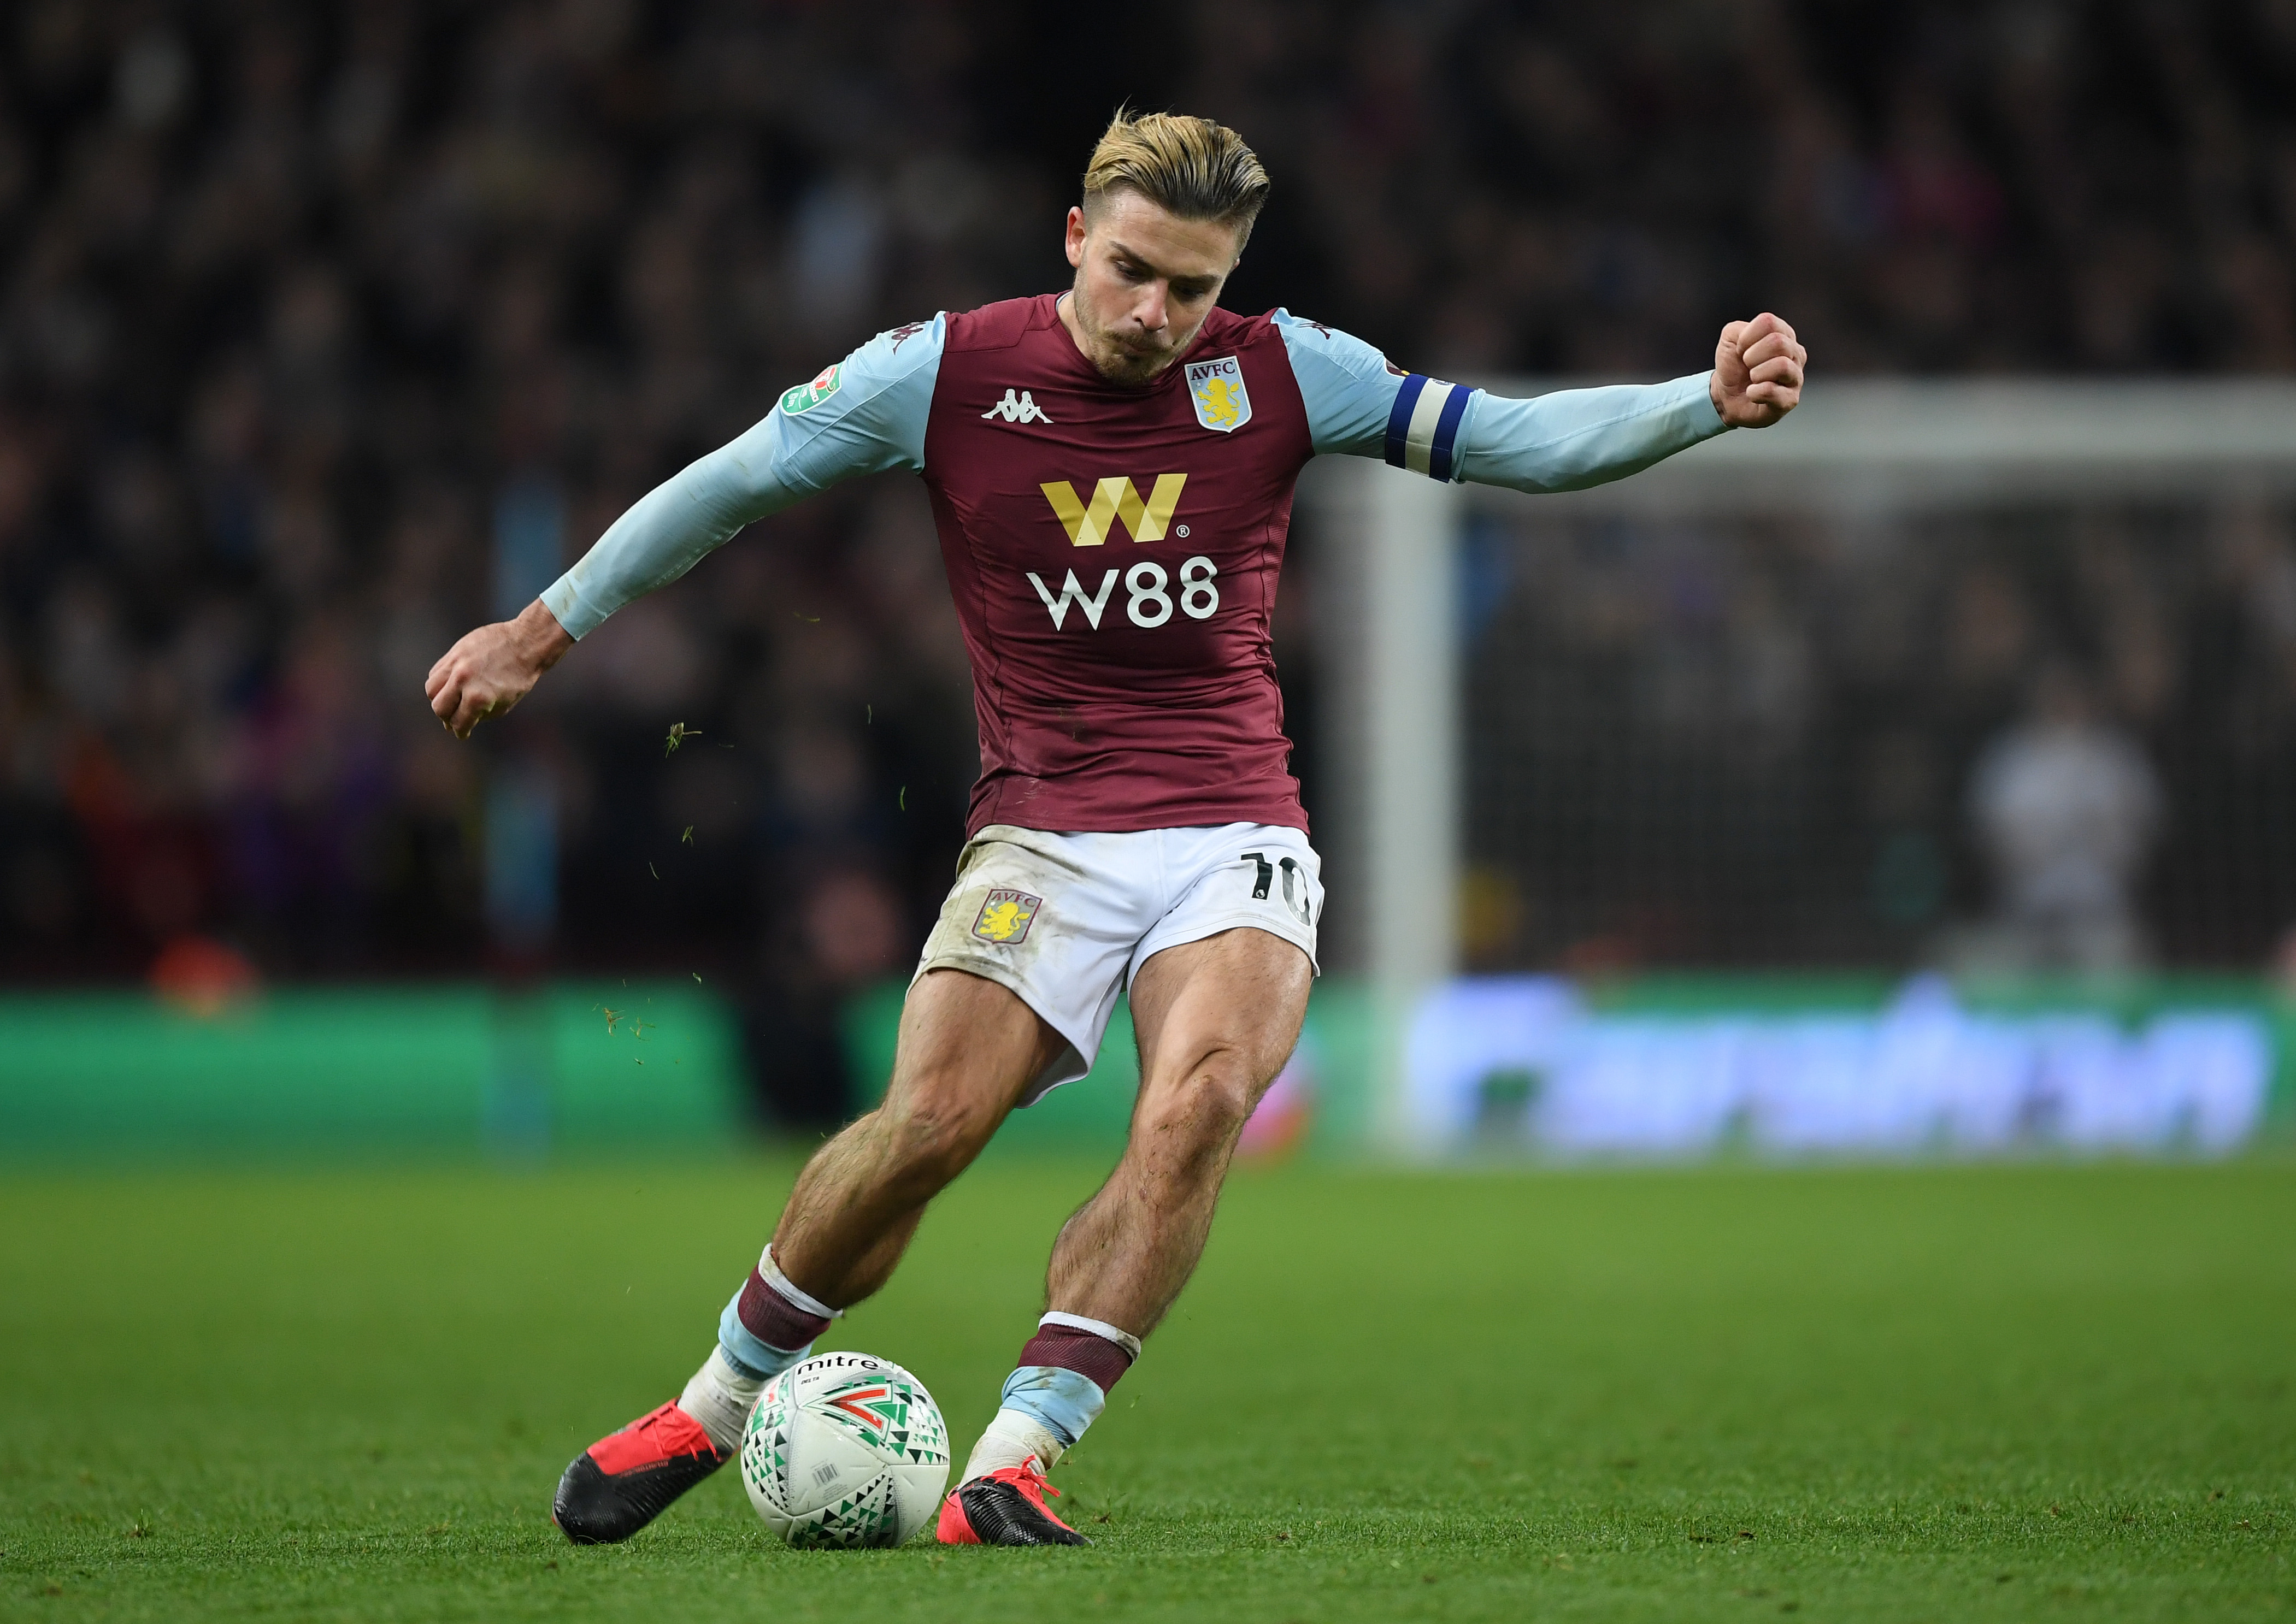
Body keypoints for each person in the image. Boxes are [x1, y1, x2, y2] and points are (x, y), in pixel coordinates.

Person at [425, 110, 1806, 1548]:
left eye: (1192, 287)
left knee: (1200, 1101)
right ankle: (709, 1410)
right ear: (1076, 236)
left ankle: (1014, 1460)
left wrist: (1698, 402)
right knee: (927, 1129)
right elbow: (728, 484)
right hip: (1041, 834)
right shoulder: (943, 371)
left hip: (1233, 830)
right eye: (1133, 271)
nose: (1156, 313)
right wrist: (539, 632)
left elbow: (1514, 441)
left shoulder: (1287, 370)